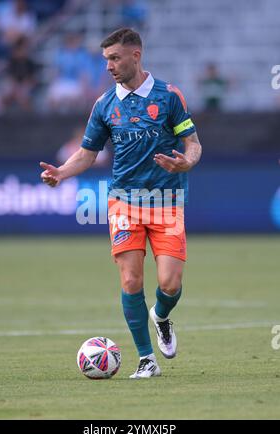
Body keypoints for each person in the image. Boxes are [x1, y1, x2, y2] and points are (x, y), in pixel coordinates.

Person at [40, 28, 202, 379]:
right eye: (106, 60)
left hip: (167, 201)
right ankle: (146, 360)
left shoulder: (169, 95)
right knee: (131, 281)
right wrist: (62, 173)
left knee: (170, 284)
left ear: (135, 56)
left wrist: (187, 162)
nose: (109, 66)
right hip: (123, 202)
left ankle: (160, 316)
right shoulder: (104, 105)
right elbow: (87, 154)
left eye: (115, 58)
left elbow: (193, 143)